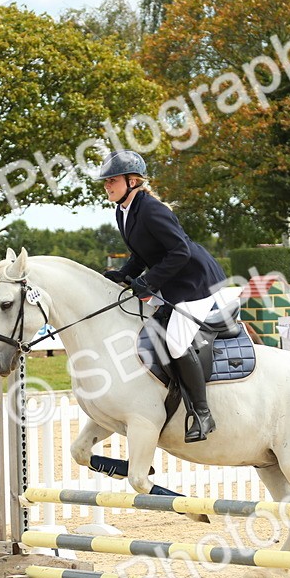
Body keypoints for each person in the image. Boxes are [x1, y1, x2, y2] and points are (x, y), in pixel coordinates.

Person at [98, 149, 226, 443]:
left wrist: (149, 281)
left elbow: (179, 251)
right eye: (106, 181)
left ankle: (202, 414)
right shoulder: (123, 210)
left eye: (112, 180)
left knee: (176, 342)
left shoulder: (153, 210)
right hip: (173, 283)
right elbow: (142, 252)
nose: (107, 186)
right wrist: (125, 273)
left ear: (132, 181)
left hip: (196, 283)